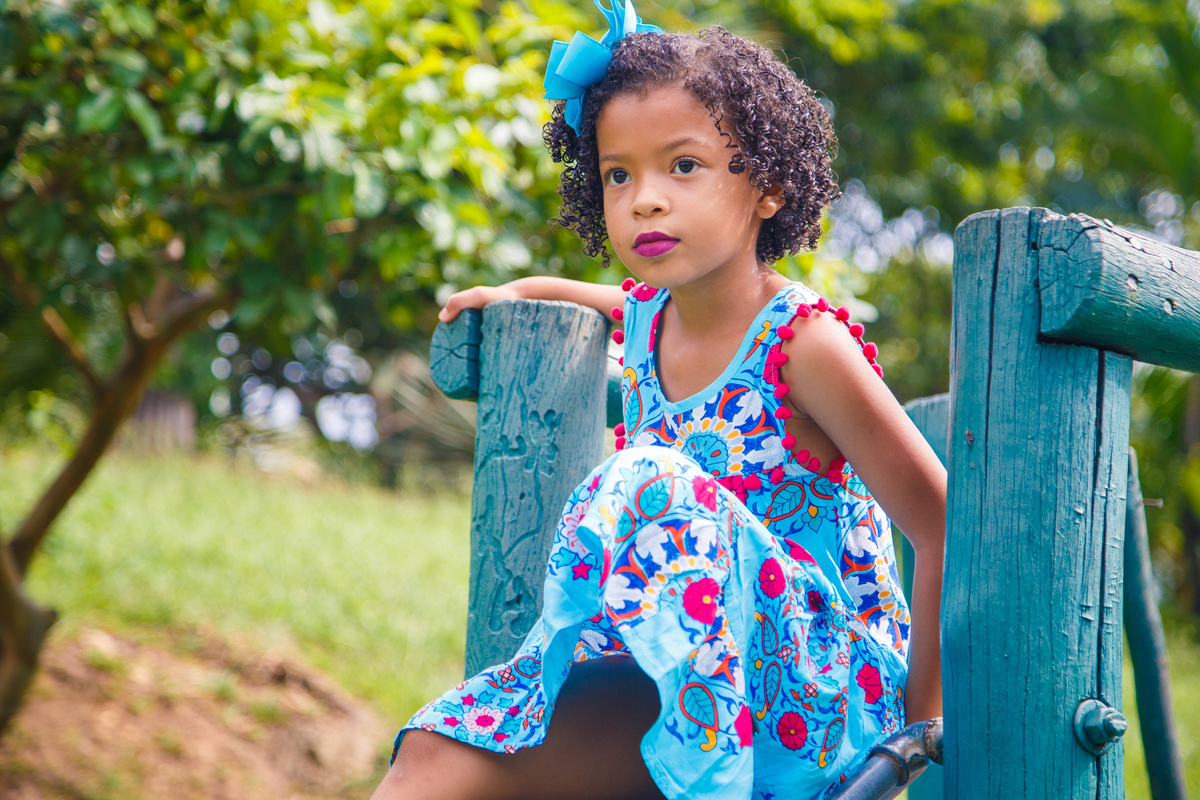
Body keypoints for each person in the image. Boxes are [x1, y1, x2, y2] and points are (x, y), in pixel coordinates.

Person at [372, 5, 946, 799]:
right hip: (678, 670)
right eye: (618, 174)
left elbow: (941, 519)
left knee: (648, 479)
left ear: (770, 186)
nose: (644, 199)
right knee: (436, 753)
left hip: (818, 691)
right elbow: (607, 298)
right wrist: (518, 293)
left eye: (683, 166)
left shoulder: (804, 345)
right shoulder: (647, 321)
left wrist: (916, 738)